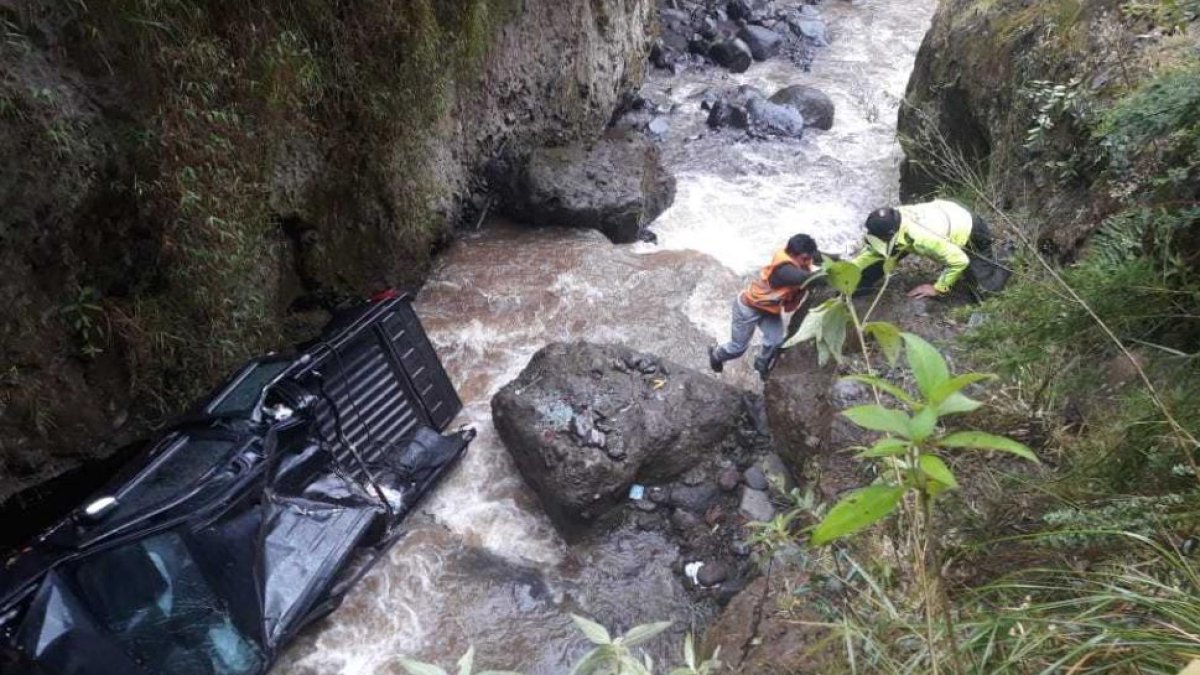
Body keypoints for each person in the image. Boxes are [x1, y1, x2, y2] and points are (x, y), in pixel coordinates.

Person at [709, 233, 826, 381]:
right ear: (792, 255)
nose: (807, 261)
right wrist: (833, 276)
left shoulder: (801, 258)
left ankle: (761, 363)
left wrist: (841, 263)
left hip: (769, 310)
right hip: (748, 308)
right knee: (738, 348)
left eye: (808, 258)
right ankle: (715, 354)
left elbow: (820, 257)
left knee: (775, 341)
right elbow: (807, 279)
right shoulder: (783, 271)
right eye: (804, 258)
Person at [850, 199, 1005, 298]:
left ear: (891, 234)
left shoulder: (922, 239)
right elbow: (872, 252)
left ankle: (1008, 254)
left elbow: (960, 260)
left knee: (986, 291)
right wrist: (848, 269)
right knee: (883, 253)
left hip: (970, 228)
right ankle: (859, 288)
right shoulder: (894, 217)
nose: (871, 240)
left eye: (877, 238)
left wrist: (937, 288)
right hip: (946, 210)